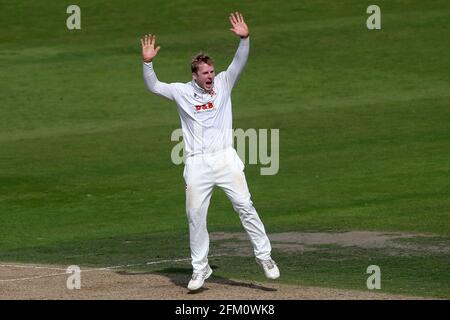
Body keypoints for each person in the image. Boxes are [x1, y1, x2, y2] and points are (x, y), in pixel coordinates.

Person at [141, 12, 279, 291]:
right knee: (195, 216)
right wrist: (147, 63)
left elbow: (239, 63)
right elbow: (154, 86)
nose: (211, 77)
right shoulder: (181, 92)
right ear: (194, 75)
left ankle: (265, 257)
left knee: (245, 206)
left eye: (212, 72)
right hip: (197, 163)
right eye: (205, 74)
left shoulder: (224, 84)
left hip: (225, 158)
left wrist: (245, 39)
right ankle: (199, 269)